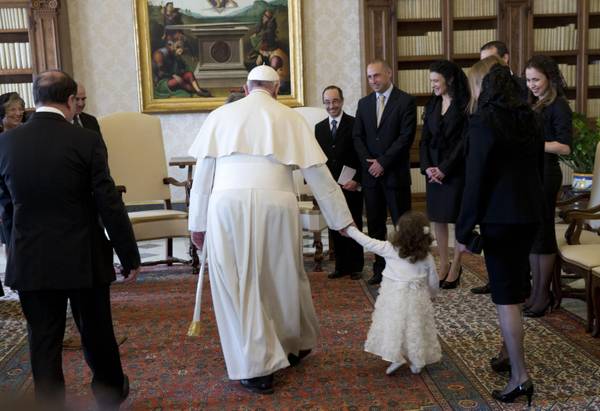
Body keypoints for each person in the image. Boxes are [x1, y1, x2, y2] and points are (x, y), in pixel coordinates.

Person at [187, 65, 354, 395]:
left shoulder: (221, 116)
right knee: (281, 276)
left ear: (246, 88)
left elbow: (203, 177)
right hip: (277, 204)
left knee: (238, 283)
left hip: (227, 206)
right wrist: (341, 221)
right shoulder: (290, 118)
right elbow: (319, 175)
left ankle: (258, 366)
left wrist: (197, 224)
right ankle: (292, 345)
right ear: (277, 90)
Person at [0, 70, 141, 409]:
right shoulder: (86, 140)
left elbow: (4, 207)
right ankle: (108, 396)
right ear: (69, 101)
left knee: (43, 340)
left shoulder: (6, 143)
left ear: (35, 98)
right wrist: (129, 255)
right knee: (96, 334)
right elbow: (108, 202)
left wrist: (13, 246)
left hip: (31, 257)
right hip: (83, 256)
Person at [455, 57, 544, 405]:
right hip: (529, 215)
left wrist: (464, 229)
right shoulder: (531, 118)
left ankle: (520, 377)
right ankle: (507, 354)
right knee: (517, 289)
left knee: (506, 299)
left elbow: (475, 181)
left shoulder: (482, 122)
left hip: (500, 220)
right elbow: (537, 168)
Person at [342, 211, 441, 375]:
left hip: (393, 299)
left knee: (393, 327)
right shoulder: (427, 256)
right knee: (415, 329)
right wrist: (432, 295)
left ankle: (396, 357)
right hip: (416, 299)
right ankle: (417, 360)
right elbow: (433, 280)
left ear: (398, 232)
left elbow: (368, 242)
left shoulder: (389, 249)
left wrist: (350, 230)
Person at [471, 40, 527, 295]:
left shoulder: (521, 97)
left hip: (513, 198)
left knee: (510, 288)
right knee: (505, 277)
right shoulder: (482, 114)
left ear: (505, 60)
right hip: (504, 200)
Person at [353, 59, 417, 285]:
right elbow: (357, 137)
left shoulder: (406, 101)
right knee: (376, 226)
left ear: (389, 73)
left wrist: (383, 162)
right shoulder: (364, 103)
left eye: (377, 76)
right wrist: (370, 163)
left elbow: (406, 137)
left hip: (395, 175)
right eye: (370, 77)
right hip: (371, 177)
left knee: (403, 225)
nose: (373, 81)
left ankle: (407, 268)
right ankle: (380, 270)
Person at [525, 55, 572, 317]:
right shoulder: (534, 103)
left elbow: (564, 146)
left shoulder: (559, 106)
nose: (531, 84)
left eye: (536, 80)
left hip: (546, 175)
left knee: (543, 235)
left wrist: (533, 145)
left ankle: (543, 294)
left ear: (549, 79)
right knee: (534, 235)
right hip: (531, 174)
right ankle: (535, 292)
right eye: (529, 79)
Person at [419, 60, 470, 289]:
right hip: (433, 172)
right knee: (438, 217)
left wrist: (444, 169)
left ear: (449, 80)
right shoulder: (432, 104)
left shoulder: (465, 105)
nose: (433, 86)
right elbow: (425, 140)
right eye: (431, 81)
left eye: (435, 81)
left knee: (458, 218)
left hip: (456, 170)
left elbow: (464, 142)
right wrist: (428, 167)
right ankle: (443, 263)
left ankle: (457, 264)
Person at [315, 85, 364, 280]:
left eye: (335, 101)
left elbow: (362, 156)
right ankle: (341, 266)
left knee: (353, 224)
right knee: (336, 226)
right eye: (327, 102)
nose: (331, 105)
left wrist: (357, 180)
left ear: (342, 101)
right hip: (330, 187)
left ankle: (356, 266)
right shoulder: (319, 128)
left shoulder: (355, 124)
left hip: (351, 185)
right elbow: (318, 158)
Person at [0, 92, 26, 298]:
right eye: (12, 110)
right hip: (5, 199)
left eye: (20, 109)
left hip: (26, 193)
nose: (18, 113)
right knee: (11, 240)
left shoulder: (28, 135)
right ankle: (16, 277)